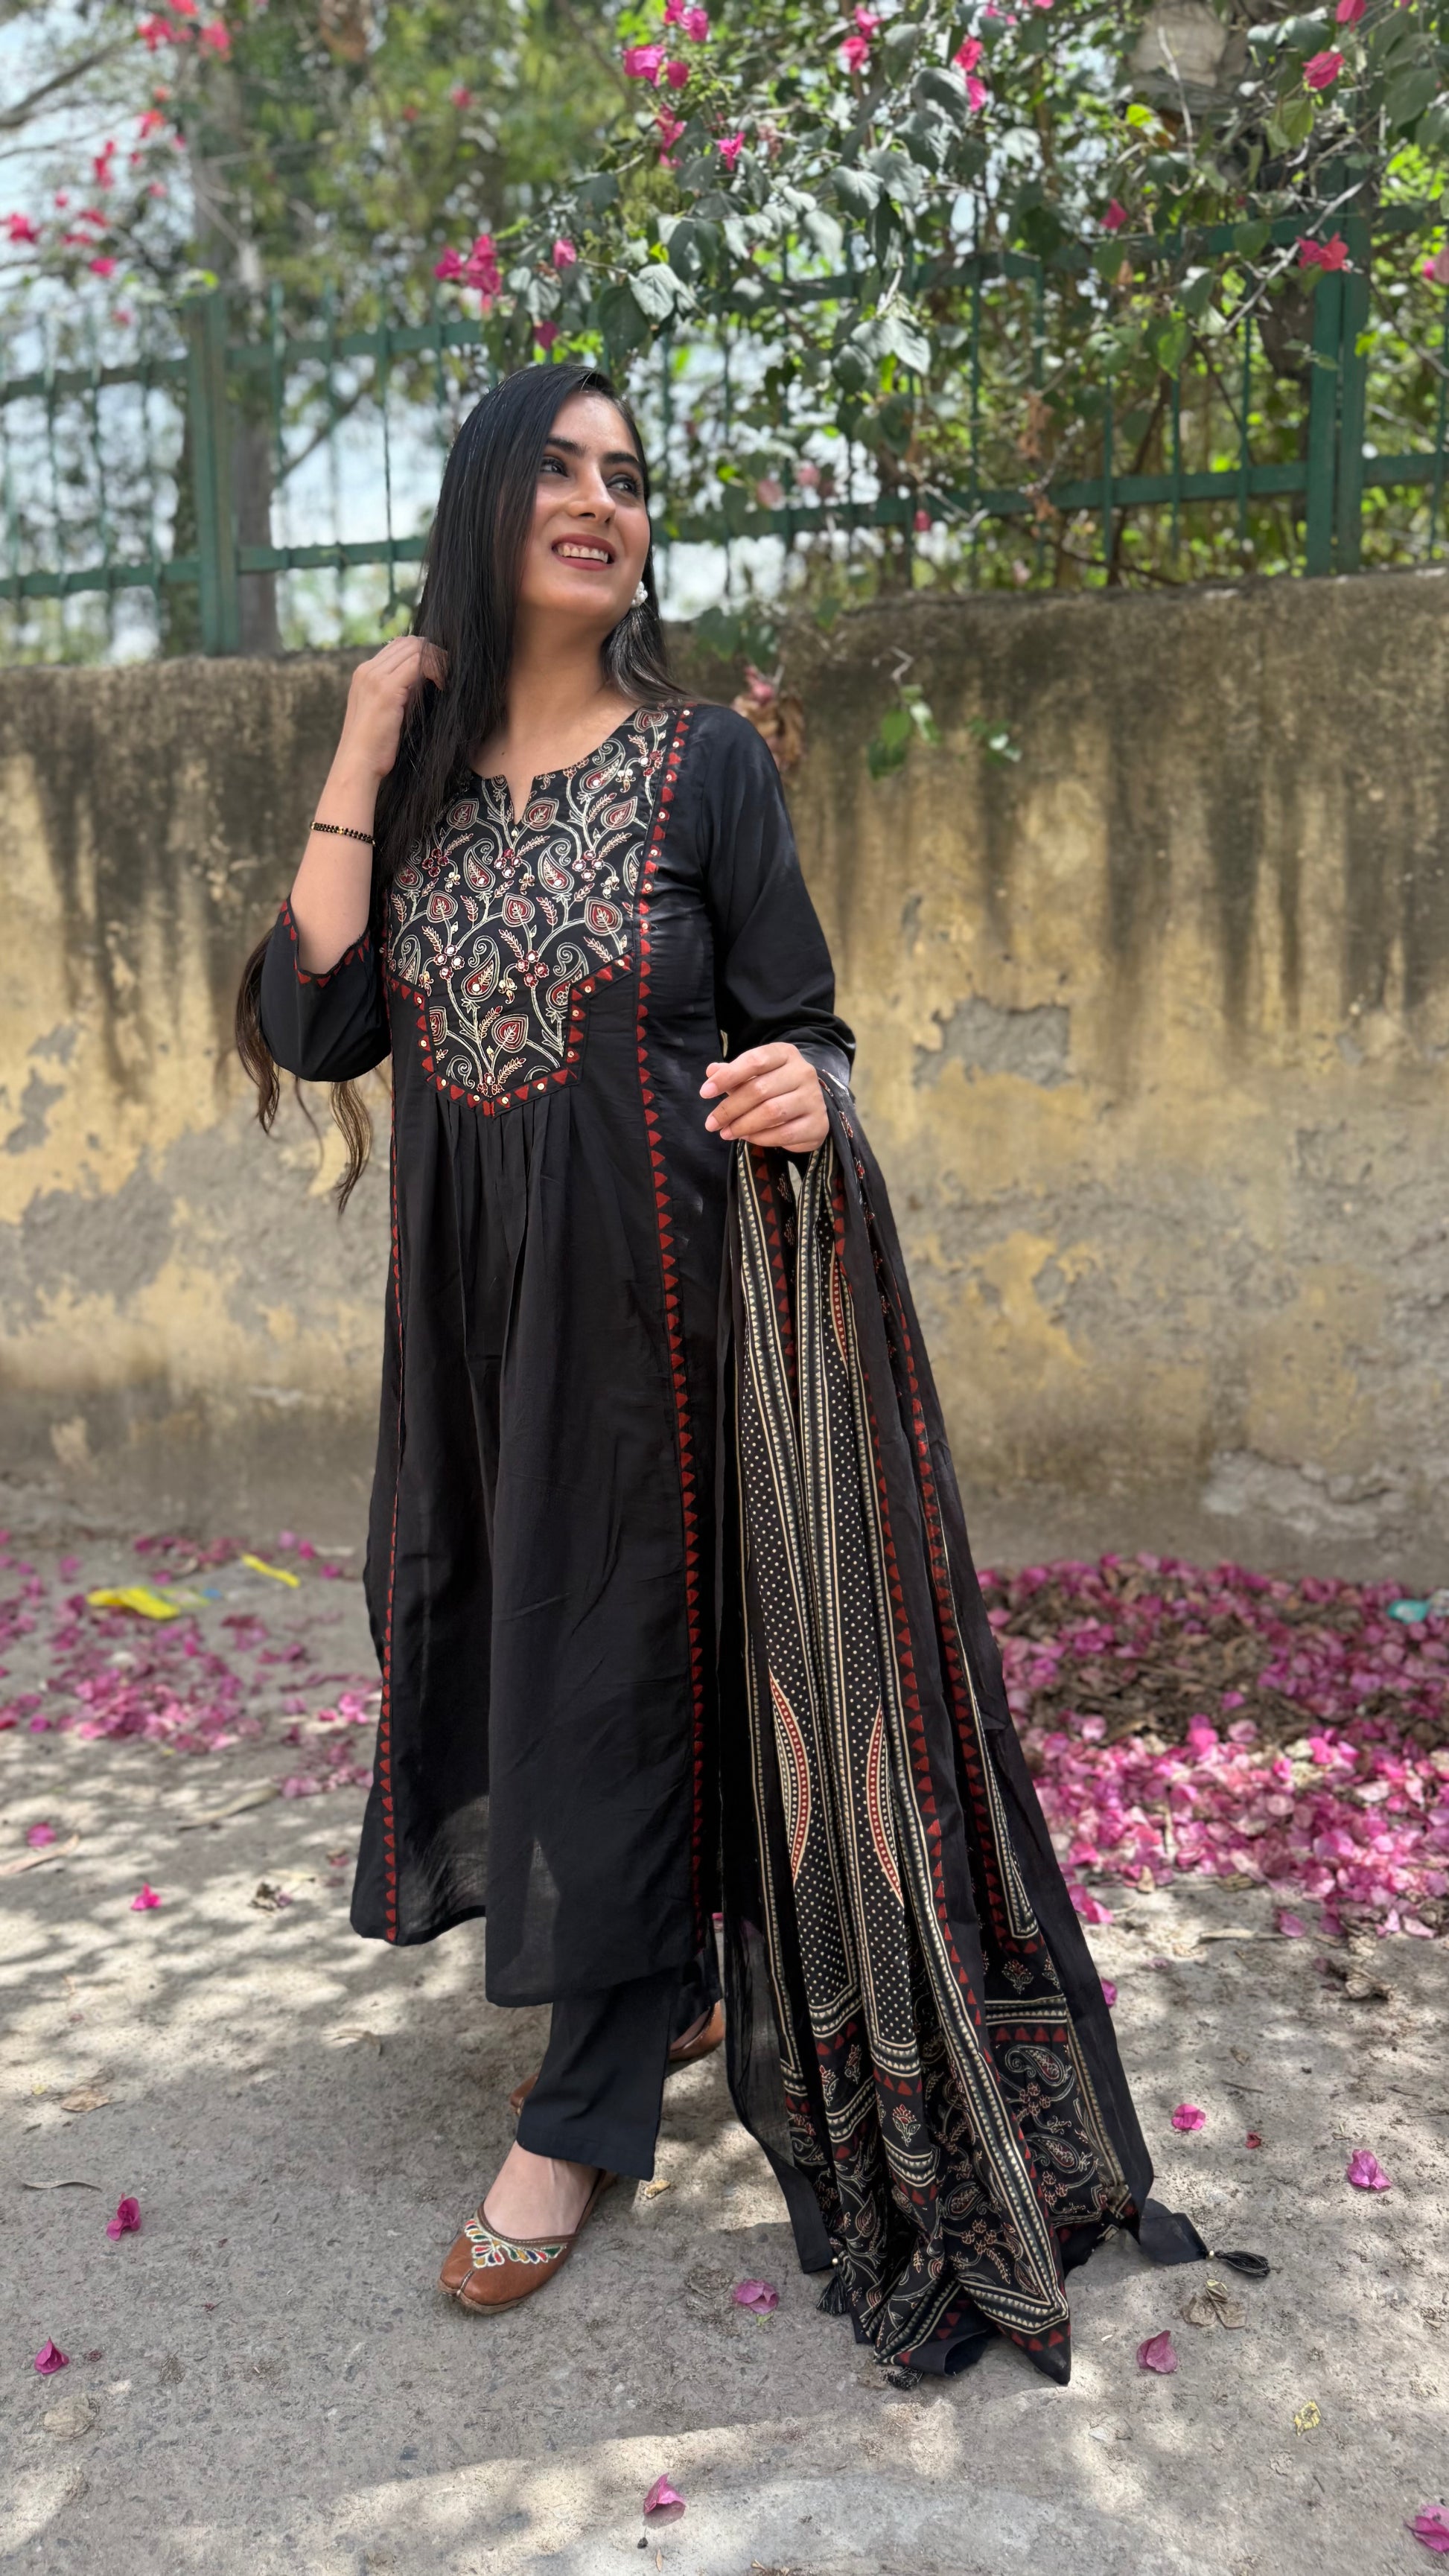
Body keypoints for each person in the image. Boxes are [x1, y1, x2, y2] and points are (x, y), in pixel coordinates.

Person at [237, 361, 1225, 2373]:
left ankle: (579, 2116)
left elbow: (808, 1023)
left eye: (629, 476)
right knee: (526, 1648)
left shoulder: (703, 770)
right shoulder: (417, 790)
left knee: (619, 1665)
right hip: (481, 1337)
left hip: (680, 1324)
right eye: (561, 468)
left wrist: (807, 1087)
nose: (602, 500)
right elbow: (314, 1016)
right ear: (485, 498)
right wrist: (358, 735)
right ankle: (668, 1969)